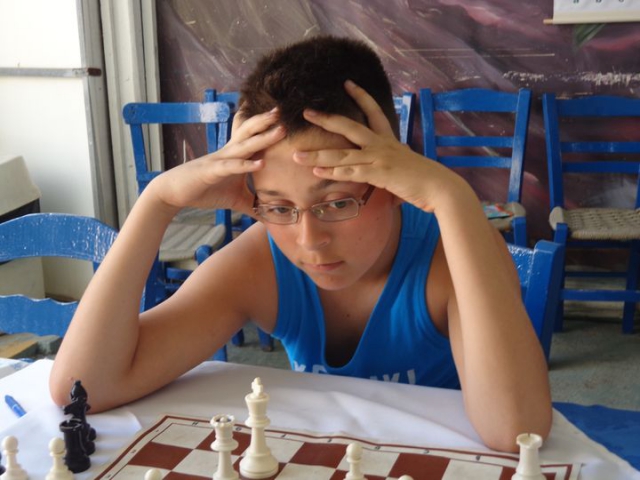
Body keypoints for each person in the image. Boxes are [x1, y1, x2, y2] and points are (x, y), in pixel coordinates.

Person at [50, 36, 551, 452]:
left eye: (337, 202)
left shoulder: (453, 256)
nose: (309, 241)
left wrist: (451, 196)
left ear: (396, 182)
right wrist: (157, 202)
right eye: (278, 206)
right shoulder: (261, 263)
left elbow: (516, 432)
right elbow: (84, 390)